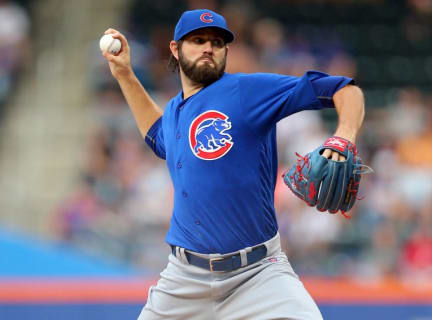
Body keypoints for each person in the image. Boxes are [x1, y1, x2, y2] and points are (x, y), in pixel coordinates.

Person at [102, 9, 365, 320]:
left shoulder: (247, 91)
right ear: (175, 49)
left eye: (217, 42)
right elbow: (159, 137)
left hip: (258, 275)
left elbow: (344, 89)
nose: (208, 48)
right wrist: (124, 74)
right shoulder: (175, 111)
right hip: (184, 280)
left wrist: (343, 137)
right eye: (197, 40)